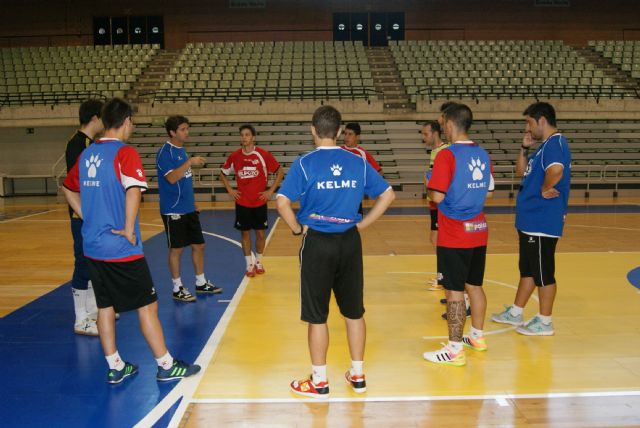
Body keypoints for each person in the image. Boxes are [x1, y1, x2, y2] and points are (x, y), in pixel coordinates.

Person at [63, 98, 200, 384]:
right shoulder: (125, 153)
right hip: (121, 248)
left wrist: (88, 217)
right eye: (133, 122)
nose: (133, 127)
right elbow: (134, 191)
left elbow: (68, 187)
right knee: (147, 306)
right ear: (125, 121)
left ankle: (115, 366)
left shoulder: (88, 155)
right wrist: (127, 228)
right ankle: (165, 364)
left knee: (105, 307)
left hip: (93, 246)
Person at [276, 105, 395, 398]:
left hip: (318, 242)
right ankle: (357, 375)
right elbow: (388, 194)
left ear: (313, 130)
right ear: (340, 131)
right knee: (354, 312)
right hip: (350, 242)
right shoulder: (356, 160)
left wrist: (294, 229)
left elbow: (281, 203)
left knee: (317, 316)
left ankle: (319, 381)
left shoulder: (304, 163)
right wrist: (363, 223)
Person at [423, 103, 494, 367]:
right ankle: (477, 336)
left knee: (453, 291)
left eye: (442, 123)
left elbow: (438, 196)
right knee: (474, 285)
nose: (442, 127)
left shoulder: (447, 156)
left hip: (454, 232)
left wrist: (430, 185)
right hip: (479, 230)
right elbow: (488, 192)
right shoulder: (483, 154)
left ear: (450, 124)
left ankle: (454, 349)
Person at [491, 102, 571, 336]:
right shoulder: (543, 147)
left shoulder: (556, 143)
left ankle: (545, 321)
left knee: (543, 271)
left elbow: (556, 171)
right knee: (528, 270)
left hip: (542, 221)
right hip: (530, 221)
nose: (527, 127)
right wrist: (524, 148)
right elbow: (520, 172)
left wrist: (546, 188)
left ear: (541, 120)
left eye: (529, 122)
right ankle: (516, 311)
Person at [156, 115, 222, 302]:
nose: (187, 132)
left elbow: (185, 180)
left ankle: (200, 282)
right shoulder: (165, 153)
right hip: (173, 210)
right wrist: (189, 162)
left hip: (187, 207)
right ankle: (177, 287)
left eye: (187, 128)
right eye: (183, 129)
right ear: (172, 132)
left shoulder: (181, 151)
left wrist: (192, 201)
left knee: (199, 245)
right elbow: (171, 178)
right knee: (177, 249)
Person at [220, 124, 284, 277]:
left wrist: (270, 190)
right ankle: (249, 264)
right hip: (242, 202)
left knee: (261, 234)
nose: (244, 137)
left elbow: (280, 172)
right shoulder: (235, 156)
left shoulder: (263, 155)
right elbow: (223, 173)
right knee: (245, 235)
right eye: (242, 135)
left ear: (253, 137)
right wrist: (230, 189)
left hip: (259, 202)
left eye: (247, 135)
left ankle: (259, 261)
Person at [65, 98, 104, 336]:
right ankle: (80, 319)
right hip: (81, 215)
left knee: (91, 262)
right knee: (82, 262)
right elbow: (73, 184)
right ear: (94, 118)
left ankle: (91, 310)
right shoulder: (78, 144)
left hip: (90, 214)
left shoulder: (89, 143)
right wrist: (84, 212)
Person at [421, 119, 449, 292]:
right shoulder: (435, 151)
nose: (423, 137)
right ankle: (442, 275)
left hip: (441, 204)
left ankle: (444, 277)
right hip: (433, 204)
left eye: (425, 133)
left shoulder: (444, 151)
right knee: (435, 239)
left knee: (440, 240)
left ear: (435, 133)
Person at [342, 122, 383, 214]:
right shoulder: (337, 151)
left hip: (355, 202)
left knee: (355, 227)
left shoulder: (363, 154)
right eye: (345, 134)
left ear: (357, 137)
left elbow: (379, 172)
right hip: (338, 201)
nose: (346, 137)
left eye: (350, 134)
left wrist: (366, 185)